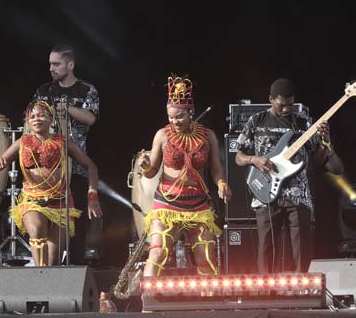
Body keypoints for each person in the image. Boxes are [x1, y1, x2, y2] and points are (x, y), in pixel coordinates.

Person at [235, 78, 343, 273]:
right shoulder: (257, 121)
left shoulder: (303, 123)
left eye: (290, 105)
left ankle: (301, 291)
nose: (286, 109)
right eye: (281, 105)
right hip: (265, 192)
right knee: (266, 246)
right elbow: (239, 156)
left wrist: (325, 142)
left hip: (297, 195)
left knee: (301, 249)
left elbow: (318, 163)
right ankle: (265, 292)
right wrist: (255, 160)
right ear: (271, 99)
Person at [137, 75, 231, 277]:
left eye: (179, 116)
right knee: (157, 253)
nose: (174, 121)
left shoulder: (208, 136)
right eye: (170, 117)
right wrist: (145, 166)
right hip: (167, 205)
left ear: (191, 112)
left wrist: (222, 183)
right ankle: (147, 305)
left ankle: (210, 306)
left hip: (198, 205)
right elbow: (152, 170)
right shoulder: (162, 135)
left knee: (206, 256)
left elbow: (215, 168)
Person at [0, 100, 102, 266]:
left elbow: (90, 166)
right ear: (28, 121)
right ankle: (39, 277)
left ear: (51, 120)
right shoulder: (21, 142)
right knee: (36, 231)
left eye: (42, 115)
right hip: (33, 201)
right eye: (32, 116)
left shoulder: (63, 142)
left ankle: (49, 283)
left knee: (53, 263)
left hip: (60, 203)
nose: (37, 119)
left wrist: (92, 196)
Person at [32, 44, 100, 264]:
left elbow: (90, 118)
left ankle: (77, 268)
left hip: (77, 167)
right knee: (46, 219)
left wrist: (67, 108)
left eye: (56, 64)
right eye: (50, 64)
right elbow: (31, 118)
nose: (51, 68)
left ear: (70, 65)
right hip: (47, 170)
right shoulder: (44, 91)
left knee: (77, 221)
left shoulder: (86, 90)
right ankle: (47, 267)